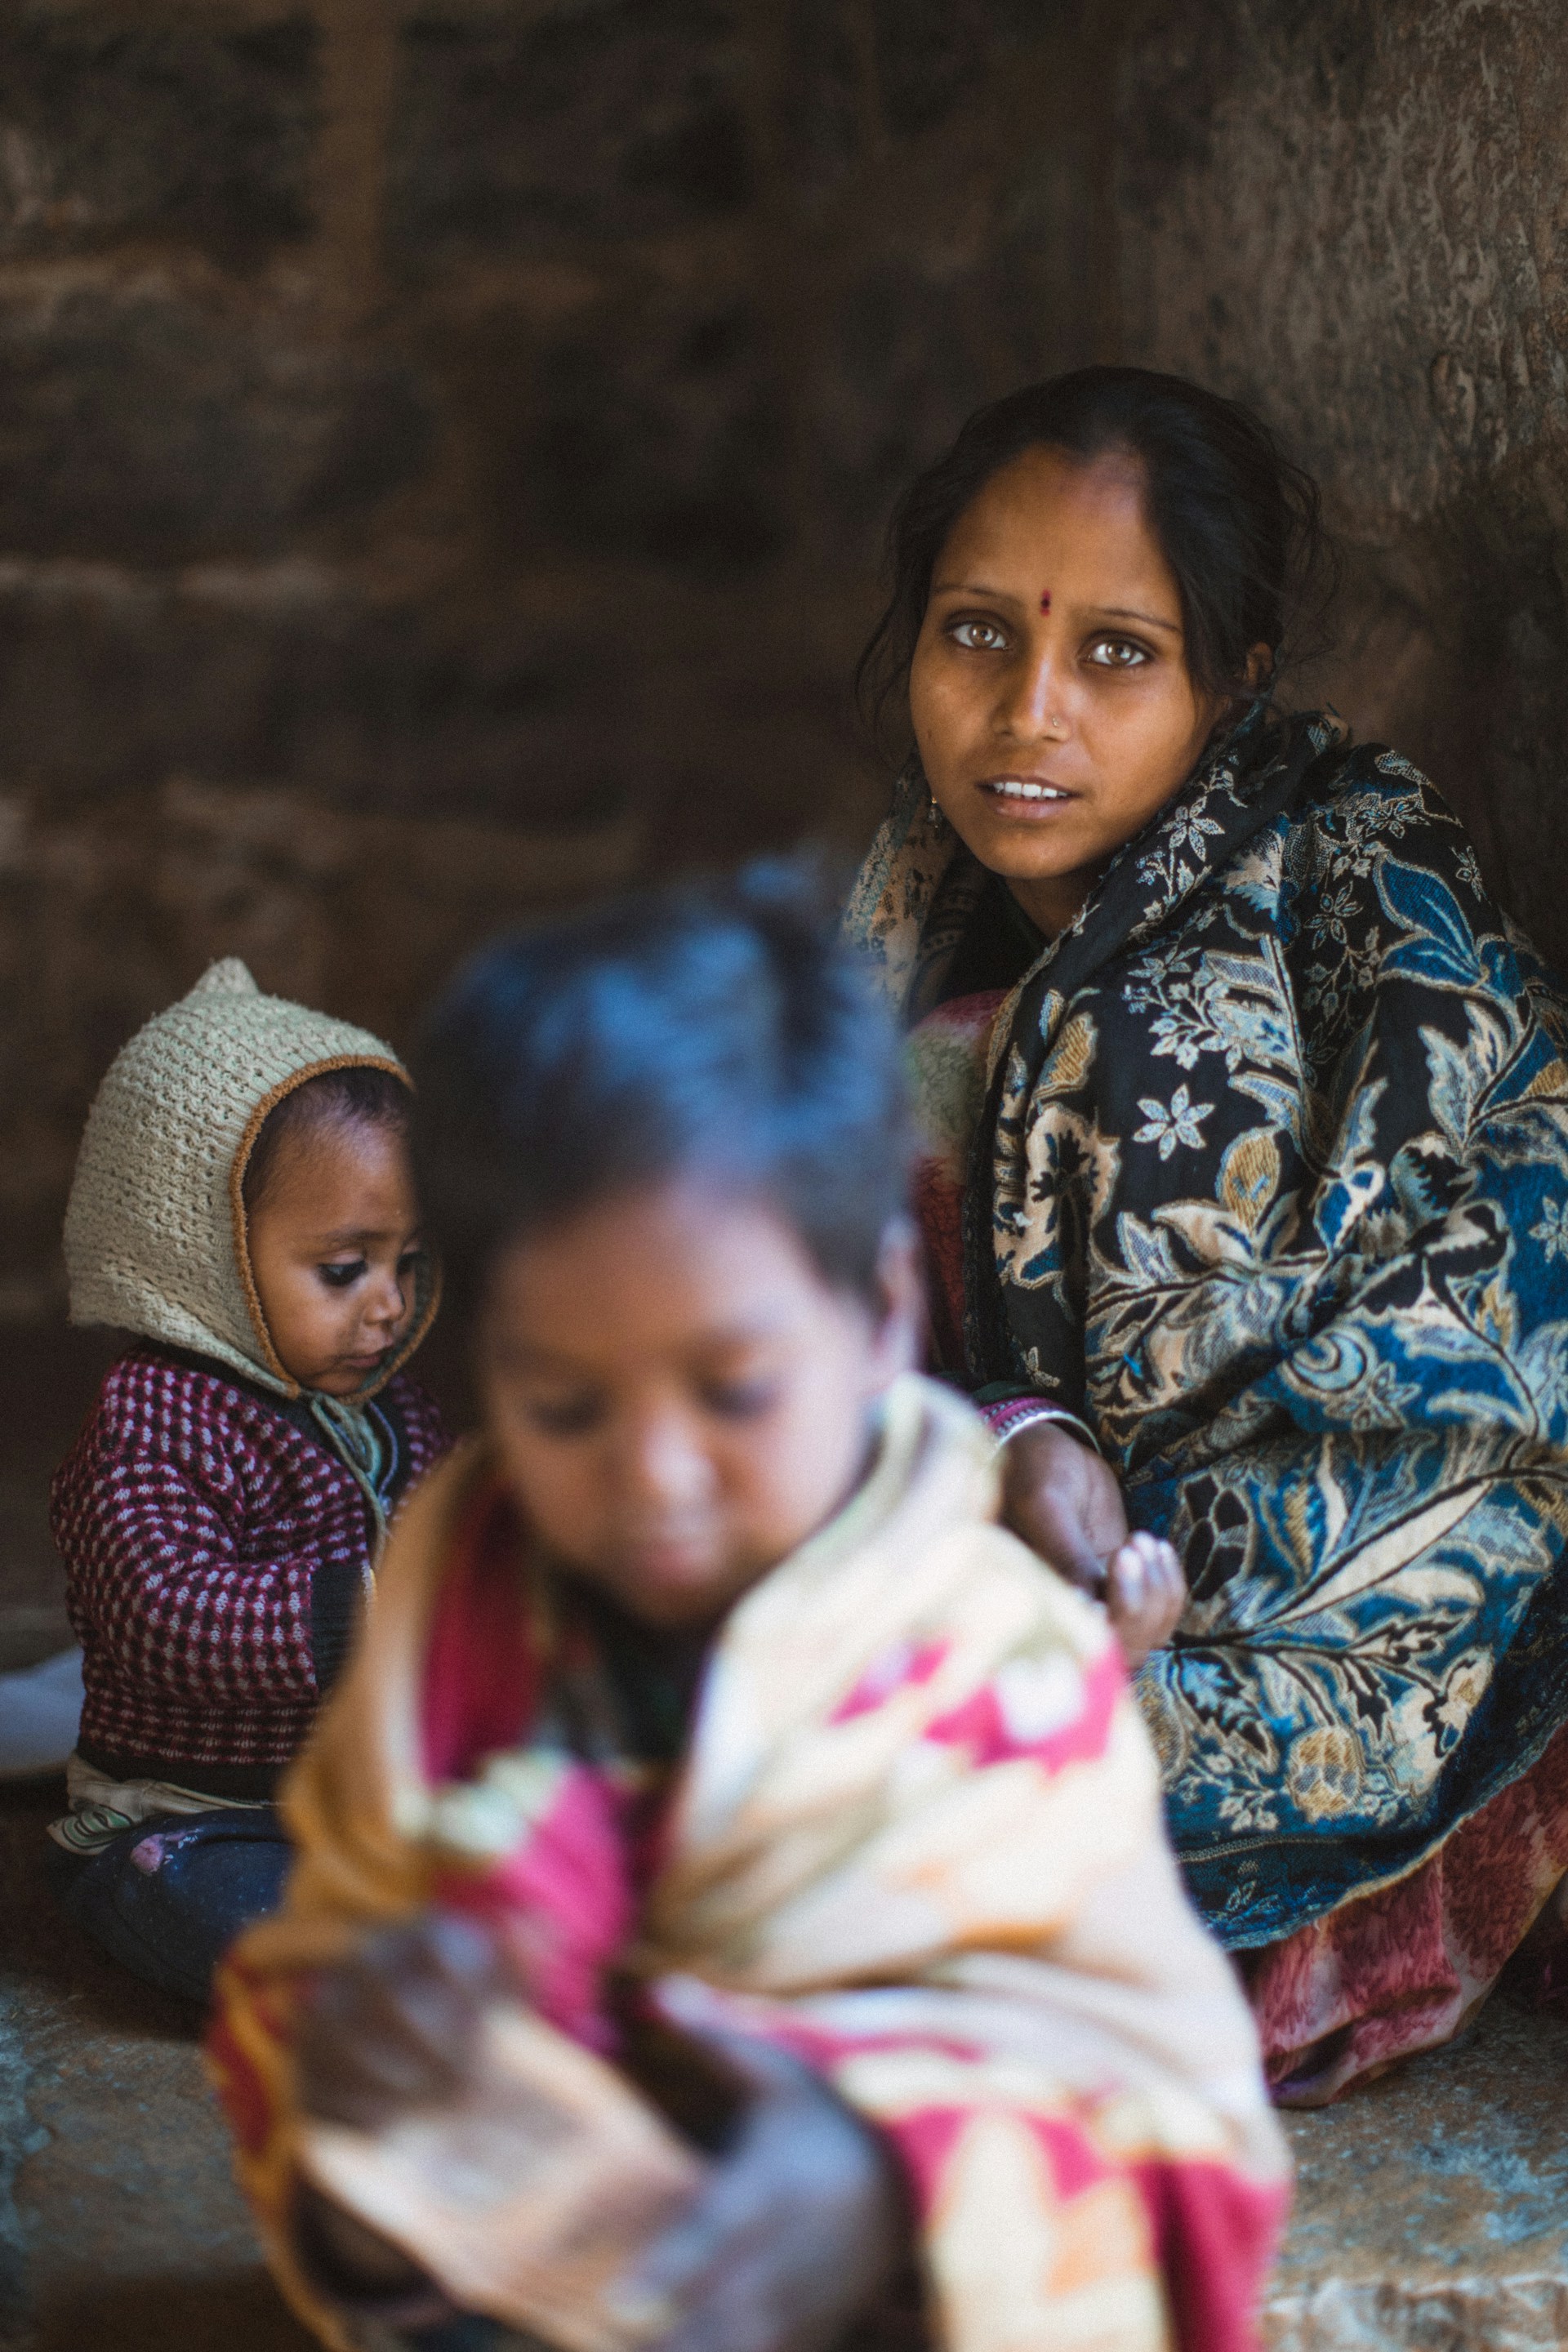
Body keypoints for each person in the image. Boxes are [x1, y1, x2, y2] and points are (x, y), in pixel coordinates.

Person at [207, 871, 1288, 2352]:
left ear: (880, 1312)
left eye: (733, 1389)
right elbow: (317, 1968)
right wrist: (386, 2060)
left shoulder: (993, 1659)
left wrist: (878, 2185)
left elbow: (1172, 2113)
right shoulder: (455, 1597)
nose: (653, 1477)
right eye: (562, 1402)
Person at [844, 363, 1568, 2104]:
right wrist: (1009, 1448)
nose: (1031, 715)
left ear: (1233, 681)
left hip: (1342, 1614)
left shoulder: (1335, 900)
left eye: (1117, 653)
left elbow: (1446, 1303)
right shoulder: (904, 905)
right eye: (975, 636)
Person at [48, 957, 448, 2002]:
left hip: (361, 1793)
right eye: (343, 1269)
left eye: (407, 1262)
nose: (389, 1306)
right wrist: (364, 1605)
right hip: (197, 1811)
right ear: (202, 1255)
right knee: (228, 1913)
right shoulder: (152, 1418)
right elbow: (157, 1612)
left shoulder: (387, 1407)